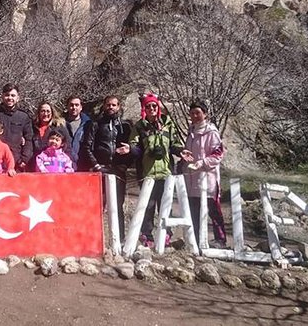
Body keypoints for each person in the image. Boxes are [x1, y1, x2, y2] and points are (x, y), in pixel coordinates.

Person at [126, 92, 192, 248]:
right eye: (148, 106)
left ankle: (166, 234)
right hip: (147, 172)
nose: (151, 109)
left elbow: (174, 144)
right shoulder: (139, 126)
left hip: (166, 172)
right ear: (145, 108)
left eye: (154, 106)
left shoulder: (168, 124)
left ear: (158, 107)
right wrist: (130, 149)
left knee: (165, 204)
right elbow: (135, 147)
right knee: (148, 206)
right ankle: (146, 234)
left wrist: (180, 151)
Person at [82, 95, 133, 240]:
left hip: (118, 170)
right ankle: (94, 238)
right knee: (97, 205)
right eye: (108, 105)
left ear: (119, 106)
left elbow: (132, 148)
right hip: (100, 170)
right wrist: (96, 165)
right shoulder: (96, 124)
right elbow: (87, 146)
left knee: (118, 205)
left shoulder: (125, 126)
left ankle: (119, 238)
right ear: (104, 106)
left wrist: (124, 166)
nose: (111, 107)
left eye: (114, 105)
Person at [183, 100, 226, 248]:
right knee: (194, 209)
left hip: (209, 178)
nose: (195, 116)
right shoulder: (191, 132)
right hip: (192, 177)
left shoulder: (212, 132)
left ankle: (220, 240)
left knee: (213, 210)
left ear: (205, 114)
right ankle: (196, 239)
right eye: (192, 113)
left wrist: (202, 163)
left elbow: (218, 155)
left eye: (198, 113)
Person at [30, 101, 71, 171]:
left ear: (52, 113)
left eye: (48, 111)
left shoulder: (59, 127)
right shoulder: (32, 126)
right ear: (38, 113)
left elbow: (67, 147)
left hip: (56, 166)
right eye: (43, 111)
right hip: (35, 165)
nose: (45, 114)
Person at [64, 95, 91, 170]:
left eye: (77, 105)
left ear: (81, 107)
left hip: (83, 163)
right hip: (64, 164)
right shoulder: (61, 123)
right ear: (67, 107)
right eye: (71, 105)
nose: (74, 107)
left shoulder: (88, 124)